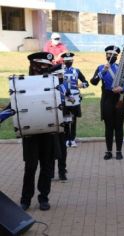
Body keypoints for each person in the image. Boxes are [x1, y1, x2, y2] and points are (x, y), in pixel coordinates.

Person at [20, 52, 60, 211]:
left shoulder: (54, 82)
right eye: (42, 66)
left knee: (47, 166)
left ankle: (43, 197)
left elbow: (62, 100)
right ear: (33, 66)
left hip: (49, 131)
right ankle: (25, 199)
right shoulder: (22, 83)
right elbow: (17, 102)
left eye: (47, 67)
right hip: (31, 132)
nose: (45, 69)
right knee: (30, 166)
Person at [90, 45, 124, 160]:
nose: (110, 57)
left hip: (120, 98)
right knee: (108, 126)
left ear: (117, 57)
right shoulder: (101, 68)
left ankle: (118, 151)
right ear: (106, 56)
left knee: (119, 126)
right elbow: (93, 82)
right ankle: (108, 151)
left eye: (113, 55)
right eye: (108, 55)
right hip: (107, 98)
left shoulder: (122, 68)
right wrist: (103, 71)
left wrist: (123, 89)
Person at [61, 52, 89, 147]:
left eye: (70, 60)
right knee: (65, 120)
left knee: (73, 120)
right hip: (63, 99)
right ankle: (65, 139)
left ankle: (72, 139)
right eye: (67, 61)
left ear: (72, 61)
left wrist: (81, 85)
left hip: (74, 99)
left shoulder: (76, 71)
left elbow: (86, 83)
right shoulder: (59, 72)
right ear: (63, 61)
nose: (69, 62)